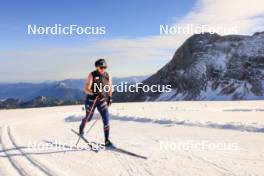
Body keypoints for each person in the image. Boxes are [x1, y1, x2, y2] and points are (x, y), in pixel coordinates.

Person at [79, 58, 113, 146]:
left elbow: (110, 87)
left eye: (104, 68)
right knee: (88, 118)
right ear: (97, 67)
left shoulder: (107, 75)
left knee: (106, 119)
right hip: (91, 100)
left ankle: (106, 140)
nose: (103, 69)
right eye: (101, 68)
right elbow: (86, 89)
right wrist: (95, 92)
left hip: (102, 100)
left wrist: (110, 97)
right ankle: (81, 126)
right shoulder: (92, 75)